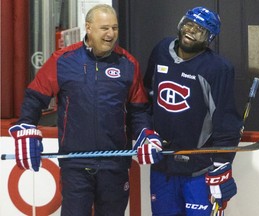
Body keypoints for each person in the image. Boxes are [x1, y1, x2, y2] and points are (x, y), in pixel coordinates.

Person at [8, 4, 163, 216]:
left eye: (115, 28)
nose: (111, 34)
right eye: (104, 28)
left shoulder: (128, 64)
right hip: (75, 163)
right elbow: (35, 97)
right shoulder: (63, 60)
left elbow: (139, 109)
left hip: (114, 162)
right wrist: (26, 126)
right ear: (88, 27)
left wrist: (145, 133)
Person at [143, 6, 243, 216]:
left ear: (209, 38)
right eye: (189, 24)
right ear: (181, 24)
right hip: (163, 166)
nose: (191, 31)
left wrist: (222, 164)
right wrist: (145, 131)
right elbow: (146, 96)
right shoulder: (161, 50)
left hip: (199, 170)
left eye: (200, 29)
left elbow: (226, 121)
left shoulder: (218, 68)